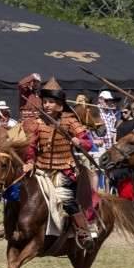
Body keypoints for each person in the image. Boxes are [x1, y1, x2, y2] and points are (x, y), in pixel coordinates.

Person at [22, 78, 96, 250]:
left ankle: (83, 231)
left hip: (65, 168)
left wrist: (80, 142)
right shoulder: (38, 123)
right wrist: (30, 162)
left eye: (51, 102)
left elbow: (88, 143)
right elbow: (32, 146)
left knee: (65, 199)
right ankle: (11, 226)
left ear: (60, 104)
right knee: (19, 191)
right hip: (41, 167)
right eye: (45, 101)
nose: (47, 105)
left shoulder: (70, 121)